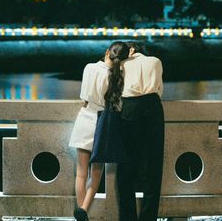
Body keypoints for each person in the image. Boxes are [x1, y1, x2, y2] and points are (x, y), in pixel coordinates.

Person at [69, 41, 129, 221]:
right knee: (96, 173)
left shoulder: (89, 67)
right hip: (102, 122)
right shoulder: (116, 76)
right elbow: (117, 104)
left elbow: (83, 96)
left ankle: (81, 212)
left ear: (106, 52)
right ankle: (85, 209)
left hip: (84, 117)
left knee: (81, 172)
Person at [117, 42, 164, 221]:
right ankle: (148, 217)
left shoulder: (123, 64)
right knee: (153, 165)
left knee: (126, 164)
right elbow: (159, 89)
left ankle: (127, 217)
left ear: (131, 51)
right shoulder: (156, 61)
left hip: (130, 107)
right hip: (152, 106)